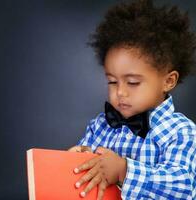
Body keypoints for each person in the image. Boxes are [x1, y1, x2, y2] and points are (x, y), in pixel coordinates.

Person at [68, 0, 196, 199]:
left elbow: (183, 185)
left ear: (168, 81)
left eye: (133, 82)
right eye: (112, 81)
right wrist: (79, 158)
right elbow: (82, 178)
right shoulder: (100, 125)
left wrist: (124, 170)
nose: (120, 92)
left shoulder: (181, 132)